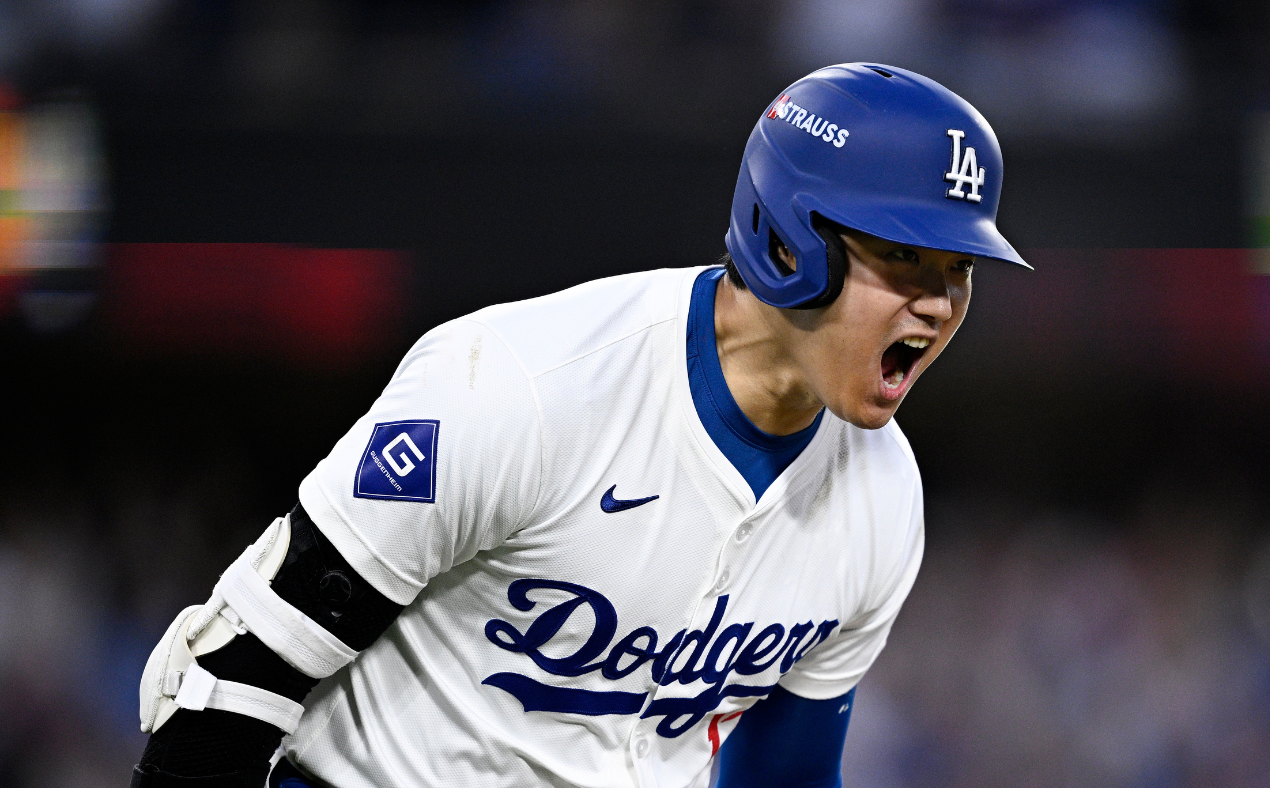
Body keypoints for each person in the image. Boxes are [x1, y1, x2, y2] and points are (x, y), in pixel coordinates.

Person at [130, 62, 1028, 788]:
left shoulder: (883, 497)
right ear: (791, 242)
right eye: (904, 258)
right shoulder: (525, 386)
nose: (940, 304)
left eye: (959, 269)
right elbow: (232, 679)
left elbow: (782, 774)